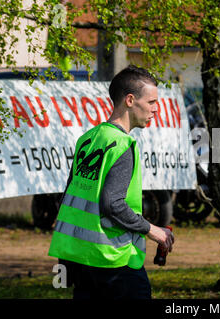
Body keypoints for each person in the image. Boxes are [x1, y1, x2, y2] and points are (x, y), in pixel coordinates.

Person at [48, 65, 174, 299]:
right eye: (151, 102)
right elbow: (112, 204)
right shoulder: (122, 145)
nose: (156, 109)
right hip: (112, 261)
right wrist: (153, 230)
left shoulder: (88, 139)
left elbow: (69, 196)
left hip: (78, 256)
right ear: (129, 100)